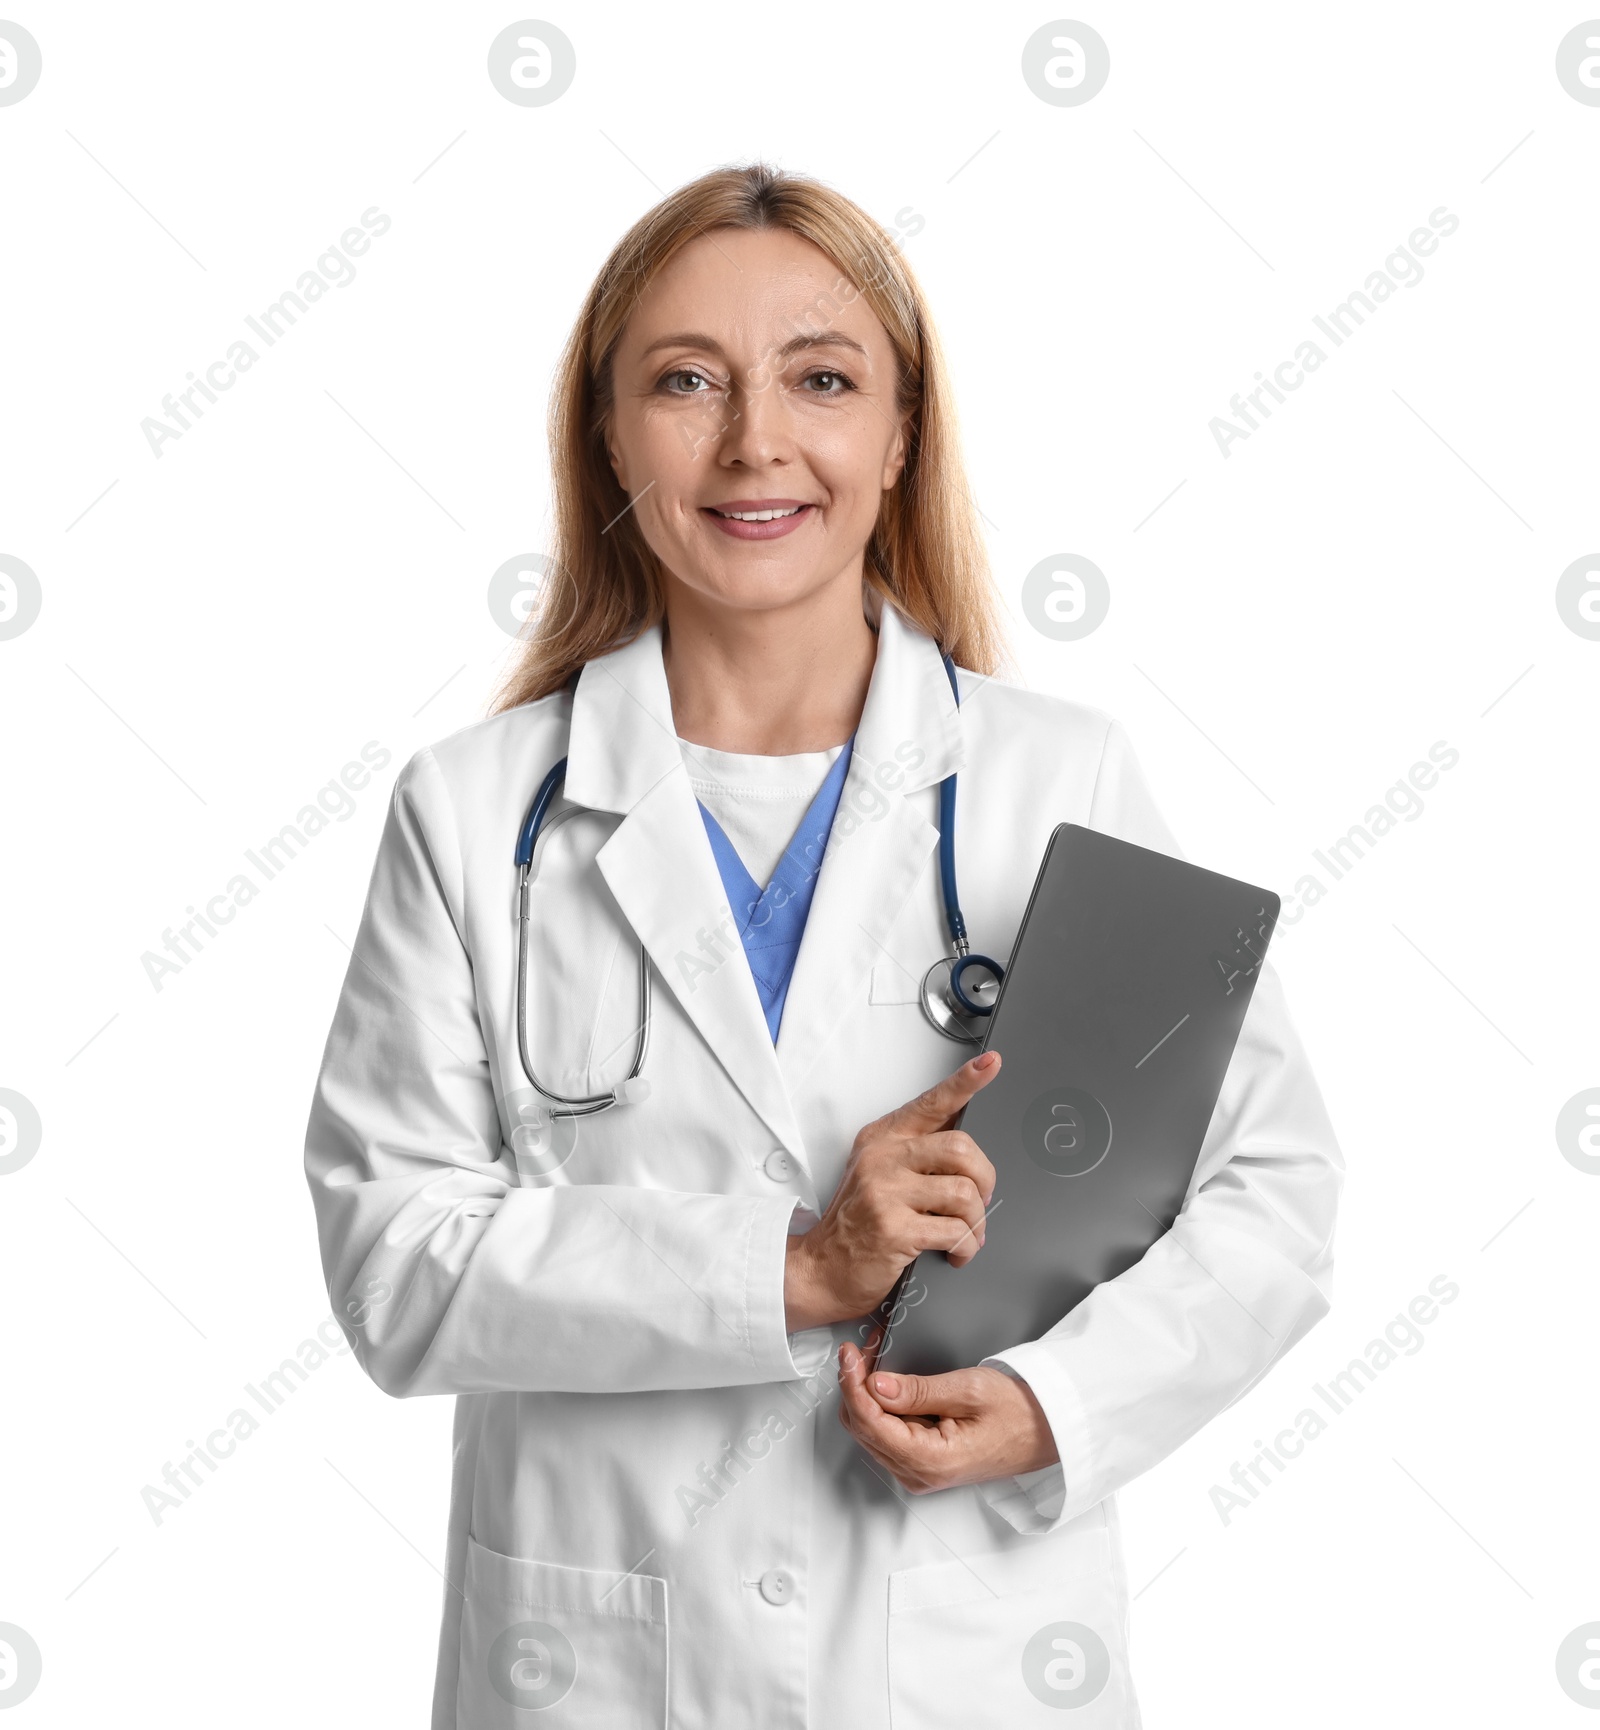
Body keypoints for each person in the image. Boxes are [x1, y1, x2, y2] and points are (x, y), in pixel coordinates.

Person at [304, 161, 1342, 1728]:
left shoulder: (1057, 778)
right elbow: (394, 1263)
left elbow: (1275, 1192)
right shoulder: (472, 814)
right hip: (595, 1667)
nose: (755, 442)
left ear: (901, 431)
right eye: (685, 382)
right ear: (606, 431)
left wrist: (1058, 1403)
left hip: (960, 1656)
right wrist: (793, 1268)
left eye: (822, 378)